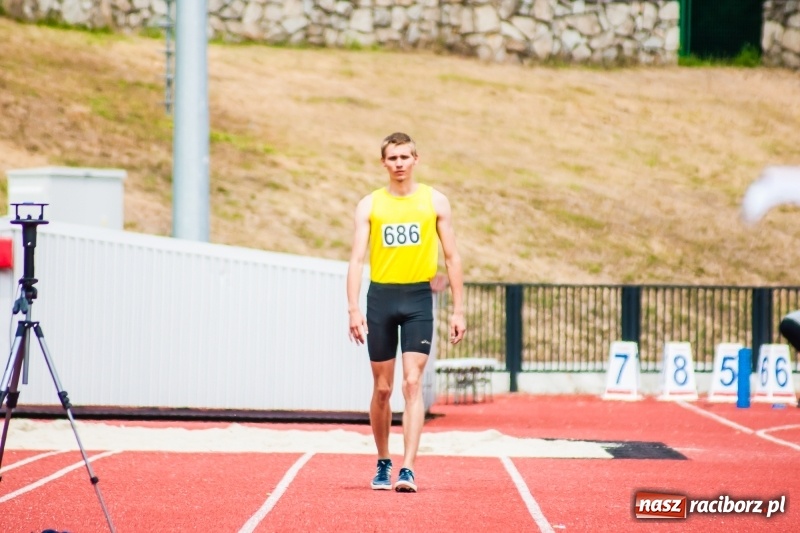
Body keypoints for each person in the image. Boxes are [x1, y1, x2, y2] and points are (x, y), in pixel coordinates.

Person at [346, 132, 466, 493]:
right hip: (381, 298)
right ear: (383, 163)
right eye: (392, 158)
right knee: (382, 389)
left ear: (416, 159)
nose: (399, 163)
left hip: (417, 299)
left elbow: (452, 257)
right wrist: (353, 308)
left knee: (412, 383)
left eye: (404, 157)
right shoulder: (370, 205)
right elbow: (355, 259)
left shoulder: (435, 201)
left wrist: (459, 310)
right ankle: (384, 460)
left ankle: (408, 468)